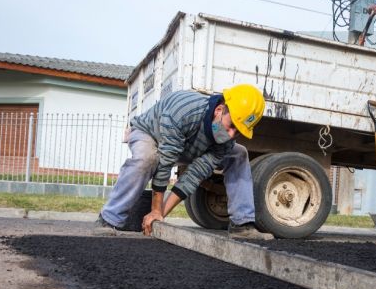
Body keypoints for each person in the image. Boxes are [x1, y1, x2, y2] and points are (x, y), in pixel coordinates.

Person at [95, 84, 271, 240]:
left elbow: (195, 174)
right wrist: (156, 209)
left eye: (238, 131)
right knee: (147, 159)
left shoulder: (226, 141)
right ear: (220, 110)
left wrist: (159, 216)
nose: (232, 135)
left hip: (188, 146)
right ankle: (109, 218)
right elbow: (165, 161)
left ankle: (242, 224)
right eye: (231, 125)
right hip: (150, 134)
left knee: (239, 153)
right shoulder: (185, 110)